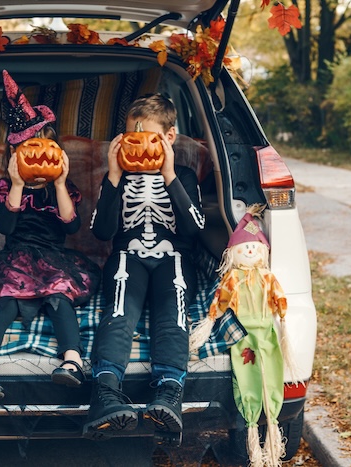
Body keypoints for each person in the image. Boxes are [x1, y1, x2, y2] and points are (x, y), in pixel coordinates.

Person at [0, 70, 100, 400]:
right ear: (14, 157)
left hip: (55, 259)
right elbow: (5, 227)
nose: (39, 156)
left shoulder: (62, 189)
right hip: (15, 257)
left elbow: (71, 226)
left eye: (46, 148)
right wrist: (15, 182)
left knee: (59, 298)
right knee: (5, 302)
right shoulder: (7, 188)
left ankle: (71, 362)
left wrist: (58, 183)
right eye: (29, 151)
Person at [83, 94, 206, 439]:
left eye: (148, 139)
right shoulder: (117, 179)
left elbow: (193, 228)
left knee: (173, 308)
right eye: (130, 139)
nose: (138, 148)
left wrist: (168, 175)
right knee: (121, 309)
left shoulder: (183, 175)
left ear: (169, 138)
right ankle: (105, 392)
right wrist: (112, 175)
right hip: (128, 256)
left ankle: (169, 394)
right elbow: (102, 231)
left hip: (174, 256)